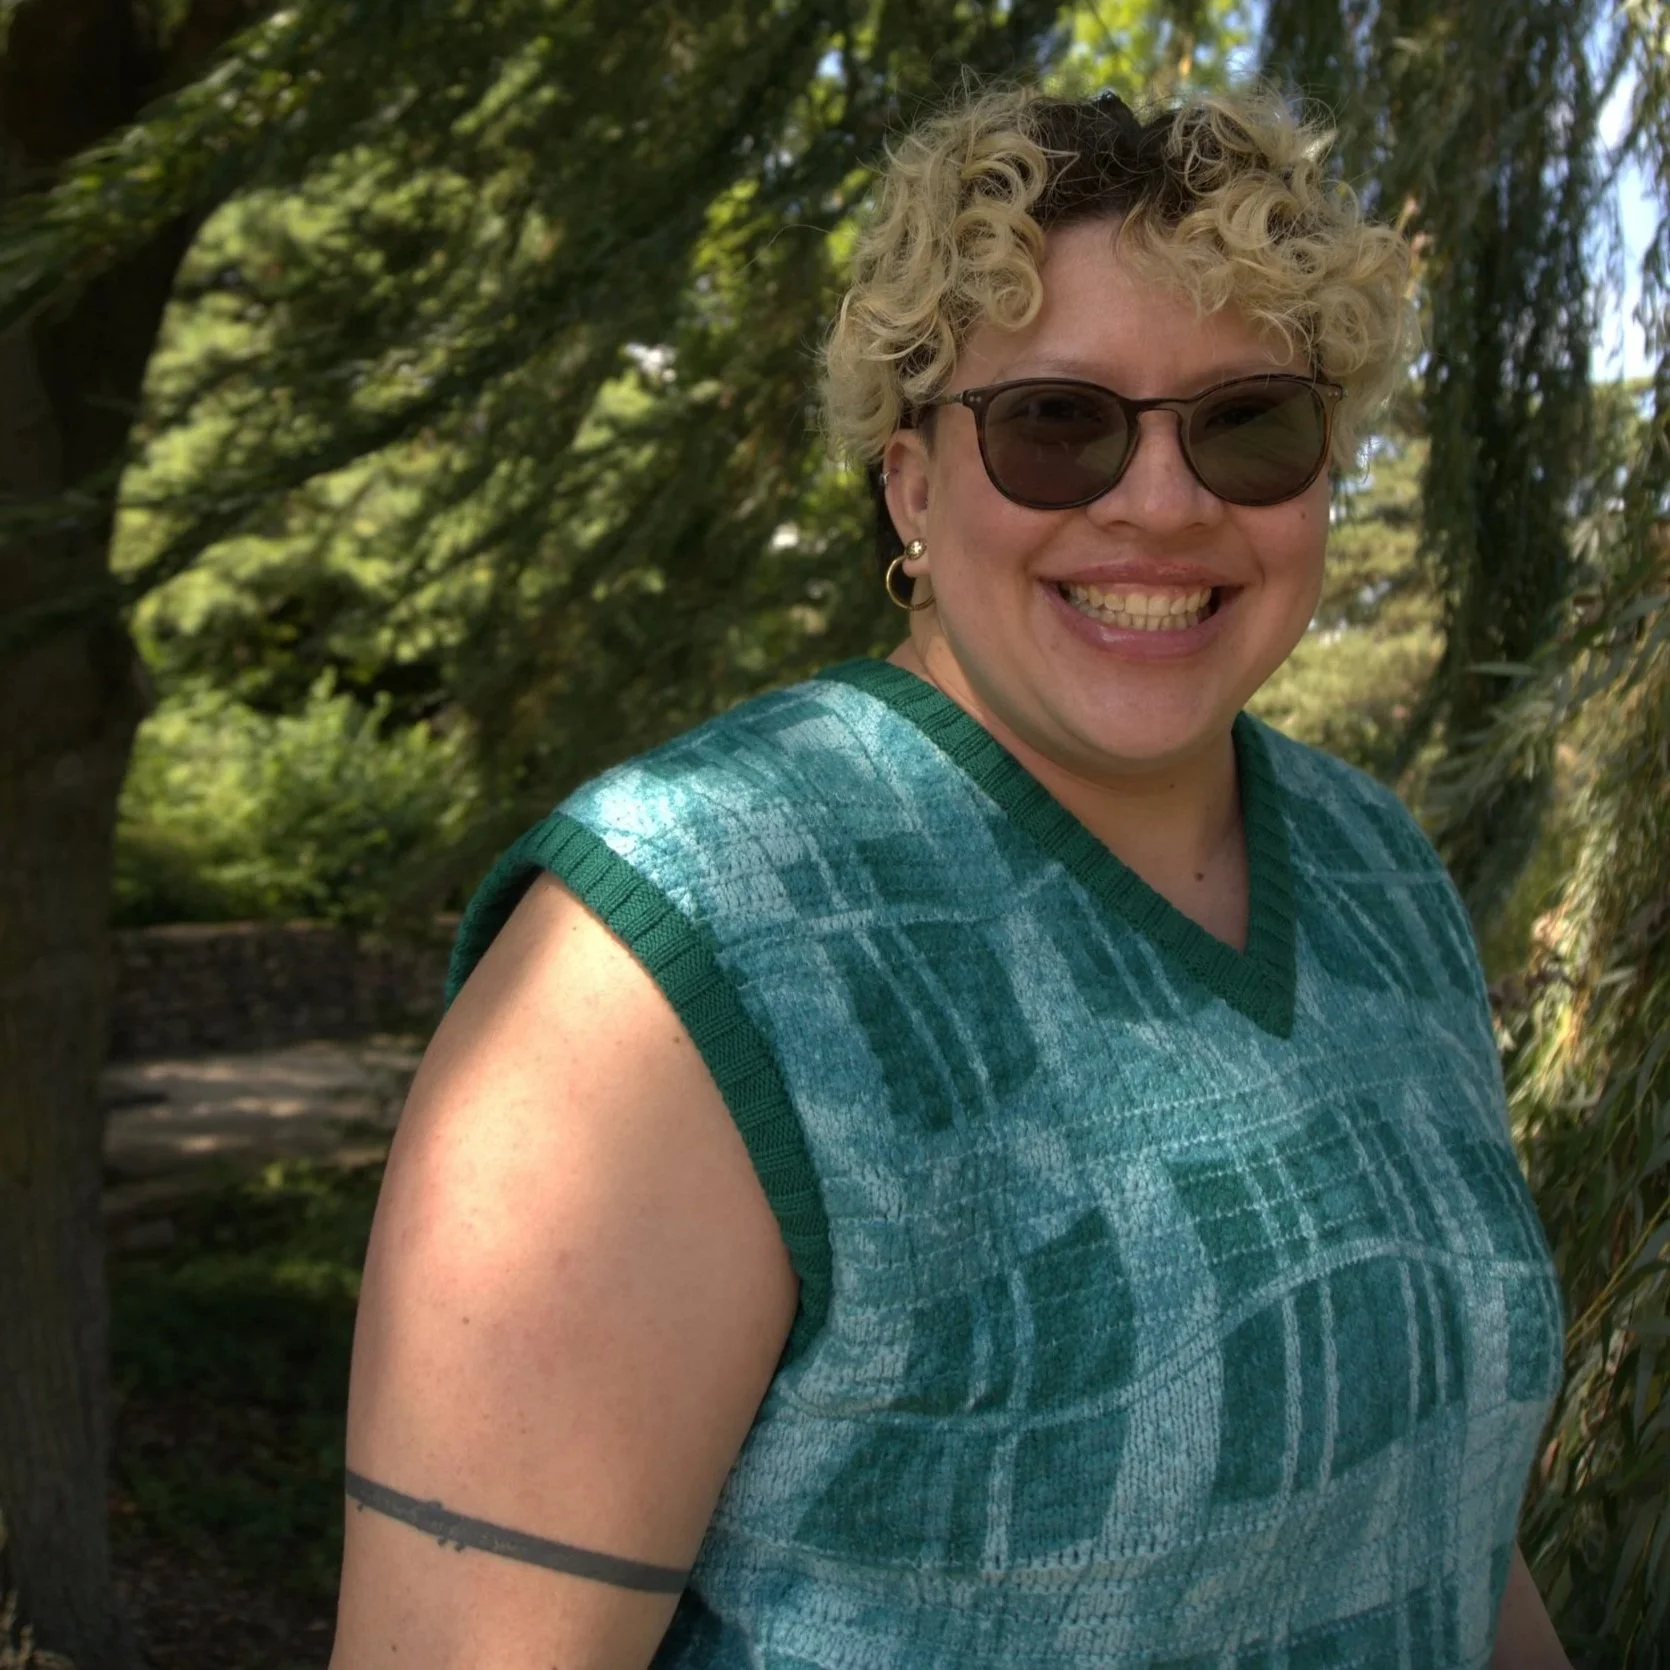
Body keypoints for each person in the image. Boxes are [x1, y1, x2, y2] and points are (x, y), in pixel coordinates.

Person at [329, 79, 1574, 1669]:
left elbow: (1442, 1513)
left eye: (1245, 421)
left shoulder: (1376, 865)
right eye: (1057, 424)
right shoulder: (663, 954)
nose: (1162, 499)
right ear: (910, 483)